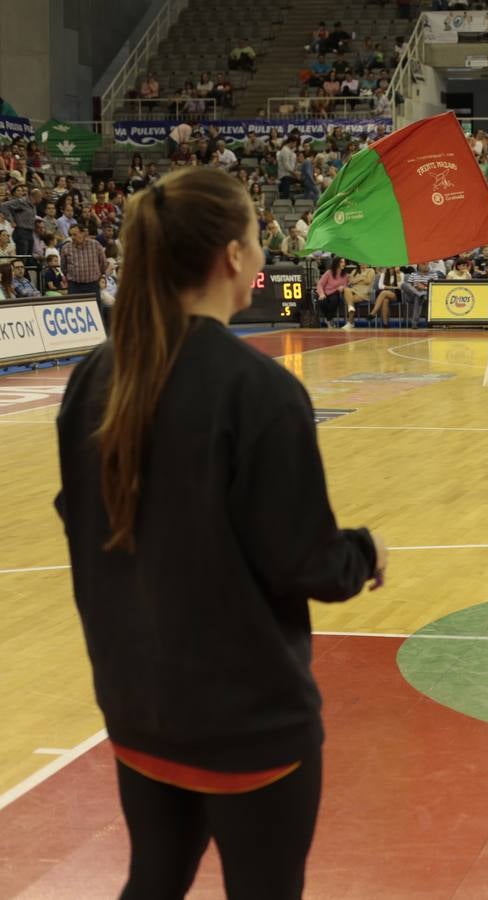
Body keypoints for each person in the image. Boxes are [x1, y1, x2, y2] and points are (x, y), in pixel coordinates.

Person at [54, 168, 386, 900]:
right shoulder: (258, 391)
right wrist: (365, 554)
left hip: (140, 711)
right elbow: (308, 562)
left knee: (152, 881)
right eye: (258, 237)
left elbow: (78, 514)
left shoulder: (95, 378)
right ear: (233, 257)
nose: (265, 253)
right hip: (249, 725)